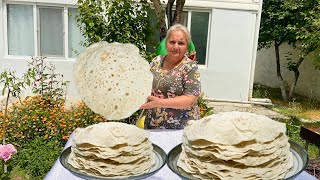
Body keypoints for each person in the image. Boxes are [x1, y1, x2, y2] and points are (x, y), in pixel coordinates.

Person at [140, 24, 201, 129]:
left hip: (181, 129)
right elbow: (143, 85)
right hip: (153, 125)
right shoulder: (156, 62)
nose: (175, 47)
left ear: (187, 46)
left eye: (181, 43)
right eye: (172, 42)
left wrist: (159, 103)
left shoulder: (190, 67)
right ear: (166, 43)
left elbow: (190, 99)